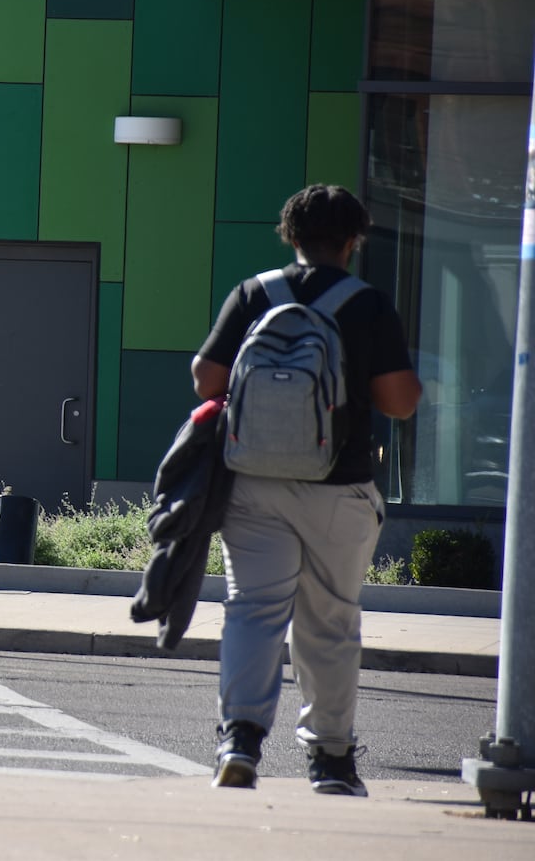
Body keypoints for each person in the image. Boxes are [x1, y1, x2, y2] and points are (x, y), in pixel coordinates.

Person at [191, 184, 420, 797]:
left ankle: (239, 739)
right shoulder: (367, 304)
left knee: (252, 612)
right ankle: (331, 761)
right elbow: (398, 402)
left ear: (291, 237)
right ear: (353, 242)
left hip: (253, 485)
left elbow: (206, 380)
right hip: (339, 488)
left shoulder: (255, 294)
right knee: (330, 623)